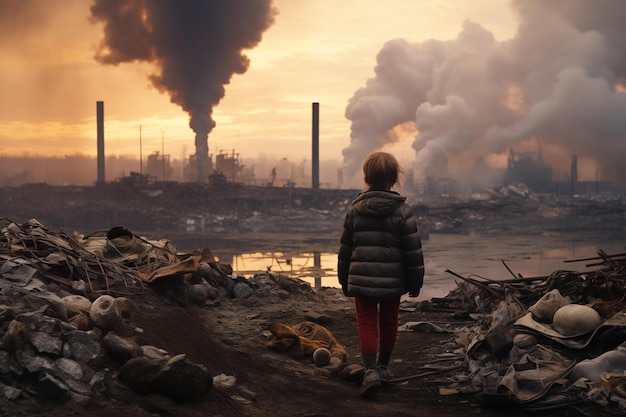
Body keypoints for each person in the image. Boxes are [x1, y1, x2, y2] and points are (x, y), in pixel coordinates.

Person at [337, 151, 425, 398]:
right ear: (394, 177)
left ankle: (370, 371)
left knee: (366, 324)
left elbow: (345, 250)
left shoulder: (354, 210)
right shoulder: (403, 211)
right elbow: (413, 252)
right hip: (393, 281)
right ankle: (384, 368)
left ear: (367, 177)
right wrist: (415, 282)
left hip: (362, 279)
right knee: (388, 322)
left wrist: (344, 279)